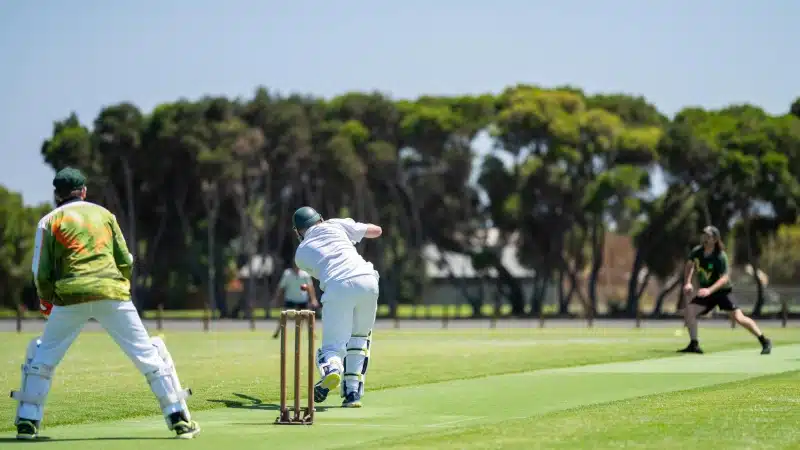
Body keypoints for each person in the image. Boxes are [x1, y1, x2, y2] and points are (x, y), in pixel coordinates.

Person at [10, 167, 200, 440]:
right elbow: (126, 260)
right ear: (84, 191)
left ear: (56, 195)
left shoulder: (49, 221)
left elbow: (41, 270)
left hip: (70, 295)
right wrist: (119, 286)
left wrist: (45, 301)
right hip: (112, 292)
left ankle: (28, 421)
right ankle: (178, 417)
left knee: (42, 357)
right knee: (148, 354)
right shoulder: (105, 215)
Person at [291, 206, 382, 408]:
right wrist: (349, 234)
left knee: (333, 347)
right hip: (368, 280)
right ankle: (352, 393)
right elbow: (376, 231)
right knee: (359, 339)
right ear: (320, 219)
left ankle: (332, 370)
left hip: (338, 285)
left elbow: (321, 270)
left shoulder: (301, 254)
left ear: (298, 232)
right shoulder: (336, 224)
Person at [679, 225, 772, 355]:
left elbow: (724, 279)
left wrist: (709, 290)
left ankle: (764, 341)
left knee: (738, 318)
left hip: (722, 292)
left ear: (715, 239)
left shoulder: (720, 256)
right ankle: (694, 344)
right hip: (707, 292)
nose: (704, 238)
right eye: (703, 235)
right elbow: (690, 265)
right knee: (689, 312)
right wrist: (688, 282)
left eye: (708, 236)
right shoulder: (697, 252)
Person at [271, 262, 319, 338]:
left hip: (302, 300)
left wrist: (313, 299)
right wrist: (276, 298)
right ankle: (277, 333)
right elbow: (281, 287)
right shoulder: (287, 274)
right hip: (290, 299)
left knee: (308, 316)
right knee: (284, 316)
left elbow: (310, 287)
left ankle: (313, 334)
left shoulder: (305, 274)